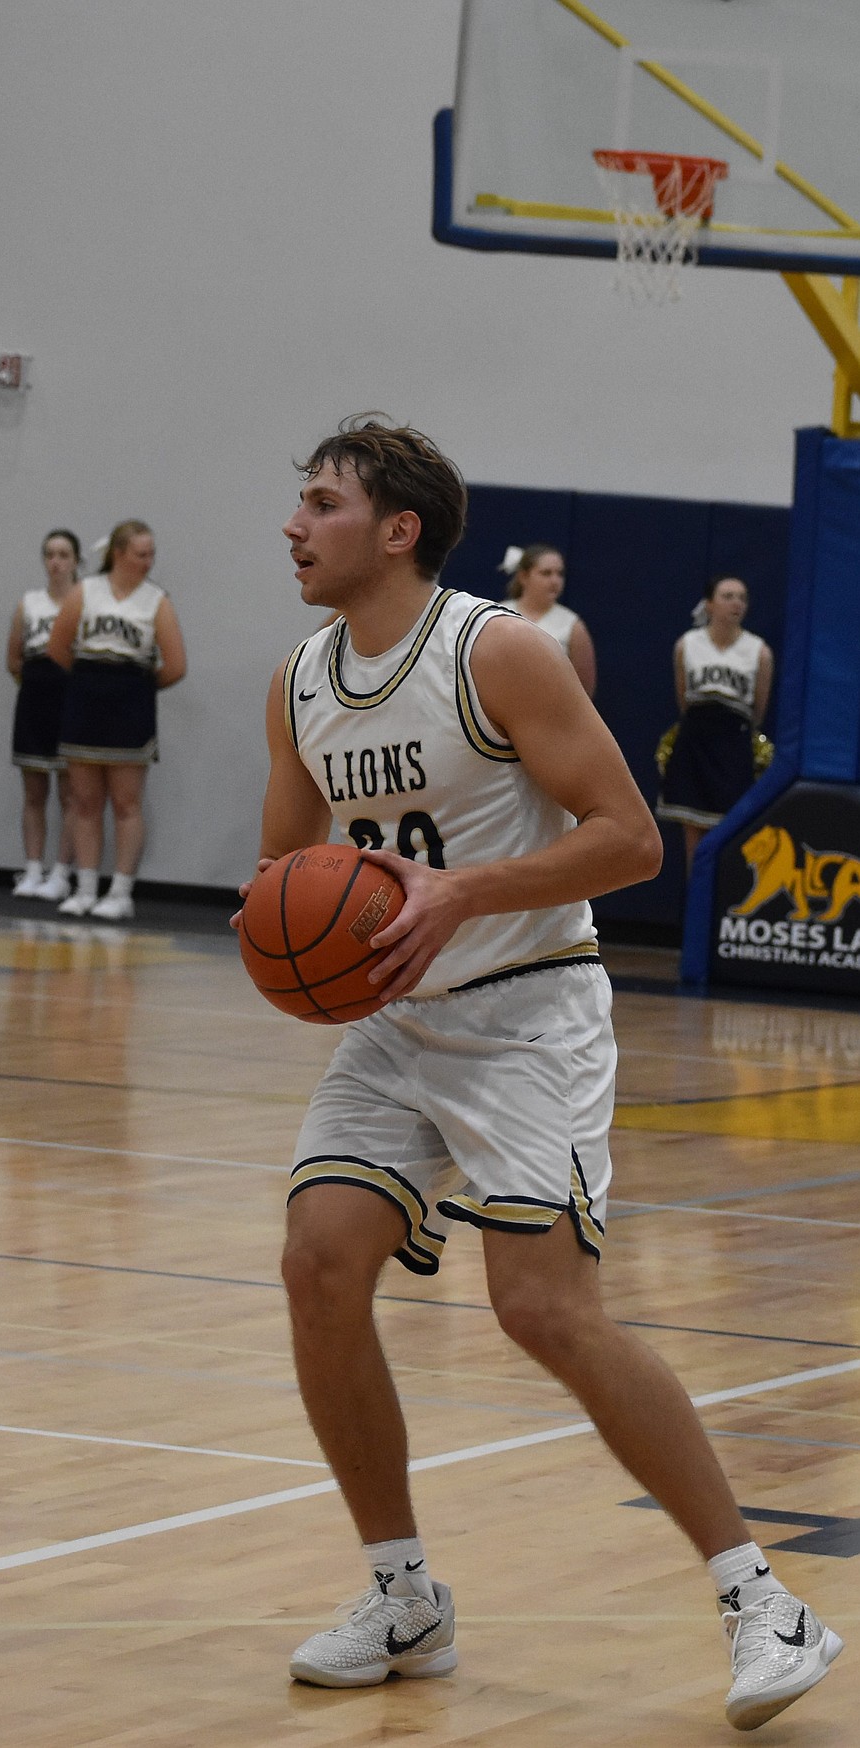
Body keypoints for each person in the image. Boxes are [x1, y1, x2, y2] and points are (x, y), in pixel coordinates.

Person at [234, 418, 840, 1730]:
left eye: (320, 503)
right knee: (316, 1261)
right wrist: (295, 948)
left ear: (395, 530)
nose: (292, 524)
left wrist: (462, 892)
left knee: (542, 1313)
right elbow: (283, 878)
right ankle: (402, 1597)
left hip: (525, 1009)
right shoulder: (295, 683)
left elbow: (633, 842)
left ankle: (759, 1599)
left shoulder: (492, 652)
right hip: (397, 1020)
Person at [45, 520, 186, 921]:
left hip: (131, 708)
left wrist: (135, 690)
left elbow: (175, 665)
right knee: (85, 801)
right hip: (84, 703)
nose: (148, 561)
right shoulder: (85, 591)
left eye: (151, 554)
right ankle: (86, 888)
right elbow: (58, 648)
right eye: (141, 553)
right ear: (119, 554)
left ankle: (121, 891)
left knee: (126, 803)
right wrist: (91, 684)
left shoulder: (156, 600)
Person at [658, 575, 774, 873]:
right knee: (692, 839)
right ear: (709, 604)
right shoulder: (687, 644)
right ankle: (694, 912)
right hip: (695, 743)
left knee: (731, 834)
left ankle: (719, 911)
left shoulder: (759, 651)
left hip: (734, 747)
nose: (736, 603)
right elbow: (683, 699)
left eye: (742, 597)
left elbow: (758, 710)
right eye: (728, 595)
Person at [6, 529, 82, 900]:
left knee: (71, 793)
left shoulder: (84, 602)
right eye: (50, 554)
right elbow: (13, 660)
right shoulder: (29, 603)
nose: (56, 562)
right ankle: (33, 868)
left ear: (76, 561)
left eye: (64, 554)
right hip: (34, 698)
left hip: (71, 699)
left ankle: (61, 873)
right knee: (34, 792)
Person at [502, 542, 596, 697]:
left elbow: (584, 690)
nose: (555, 581)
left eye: (559, 574)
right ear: (523, 576)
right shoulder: (500, 613)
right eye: (546, 573)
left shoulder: (572, 625)